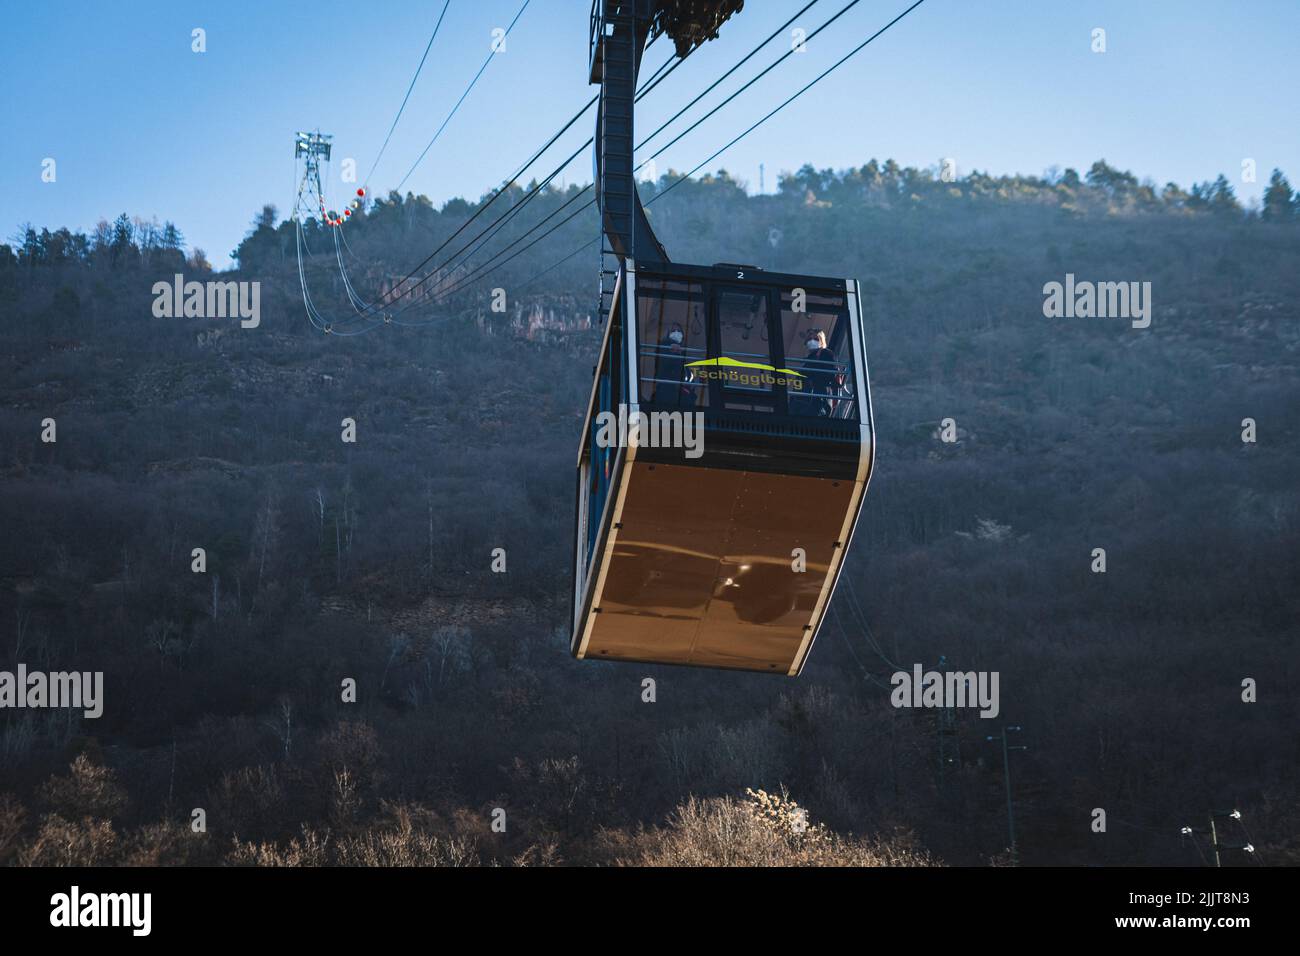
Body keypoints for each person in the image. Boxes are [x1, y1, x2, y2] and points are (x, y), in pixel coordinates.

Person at [799, 329, 840, 417]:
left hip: (819, 399)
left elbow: (830, 373)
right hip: (806, 399)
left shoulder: (826, 353)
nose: (812, 341)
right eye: (809, 339)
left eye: (816, 339)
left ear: (822, 341)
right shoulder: (808, 359)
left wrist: (813, 379)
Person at [654, 322, 695, 406]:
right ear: (668, 334)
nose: (676, 332)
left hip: (681, 395)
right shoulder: (662, 348)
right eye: (673, 330)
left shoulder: (684, 352)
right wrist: (672, 351)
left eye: (679, 331)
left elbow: (688, 373)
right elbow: (663, 367)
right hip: (666, 393)